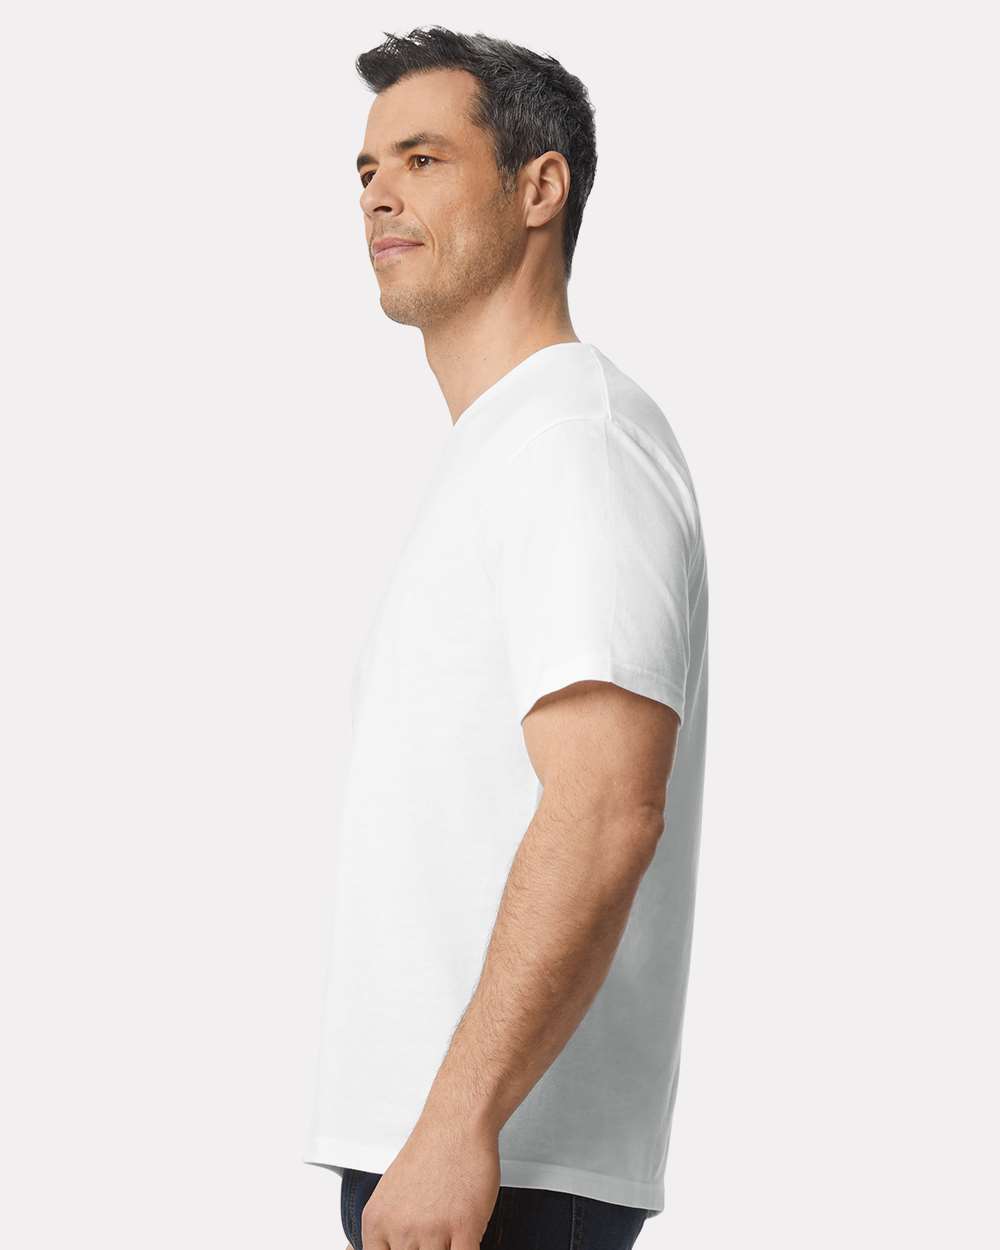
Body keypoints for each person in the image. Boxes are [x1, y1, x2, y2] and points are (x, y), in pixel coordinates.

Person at [304, 25, 709, 1250]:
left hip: (499, 1167)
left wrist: (459, 1121)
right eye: (367, 168)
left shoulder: (573, 441)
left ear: (540, 187)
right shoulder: (502, 449)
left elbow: (607, 808)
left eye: (422, 158)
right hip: (449, 1154)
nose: (378, 193)